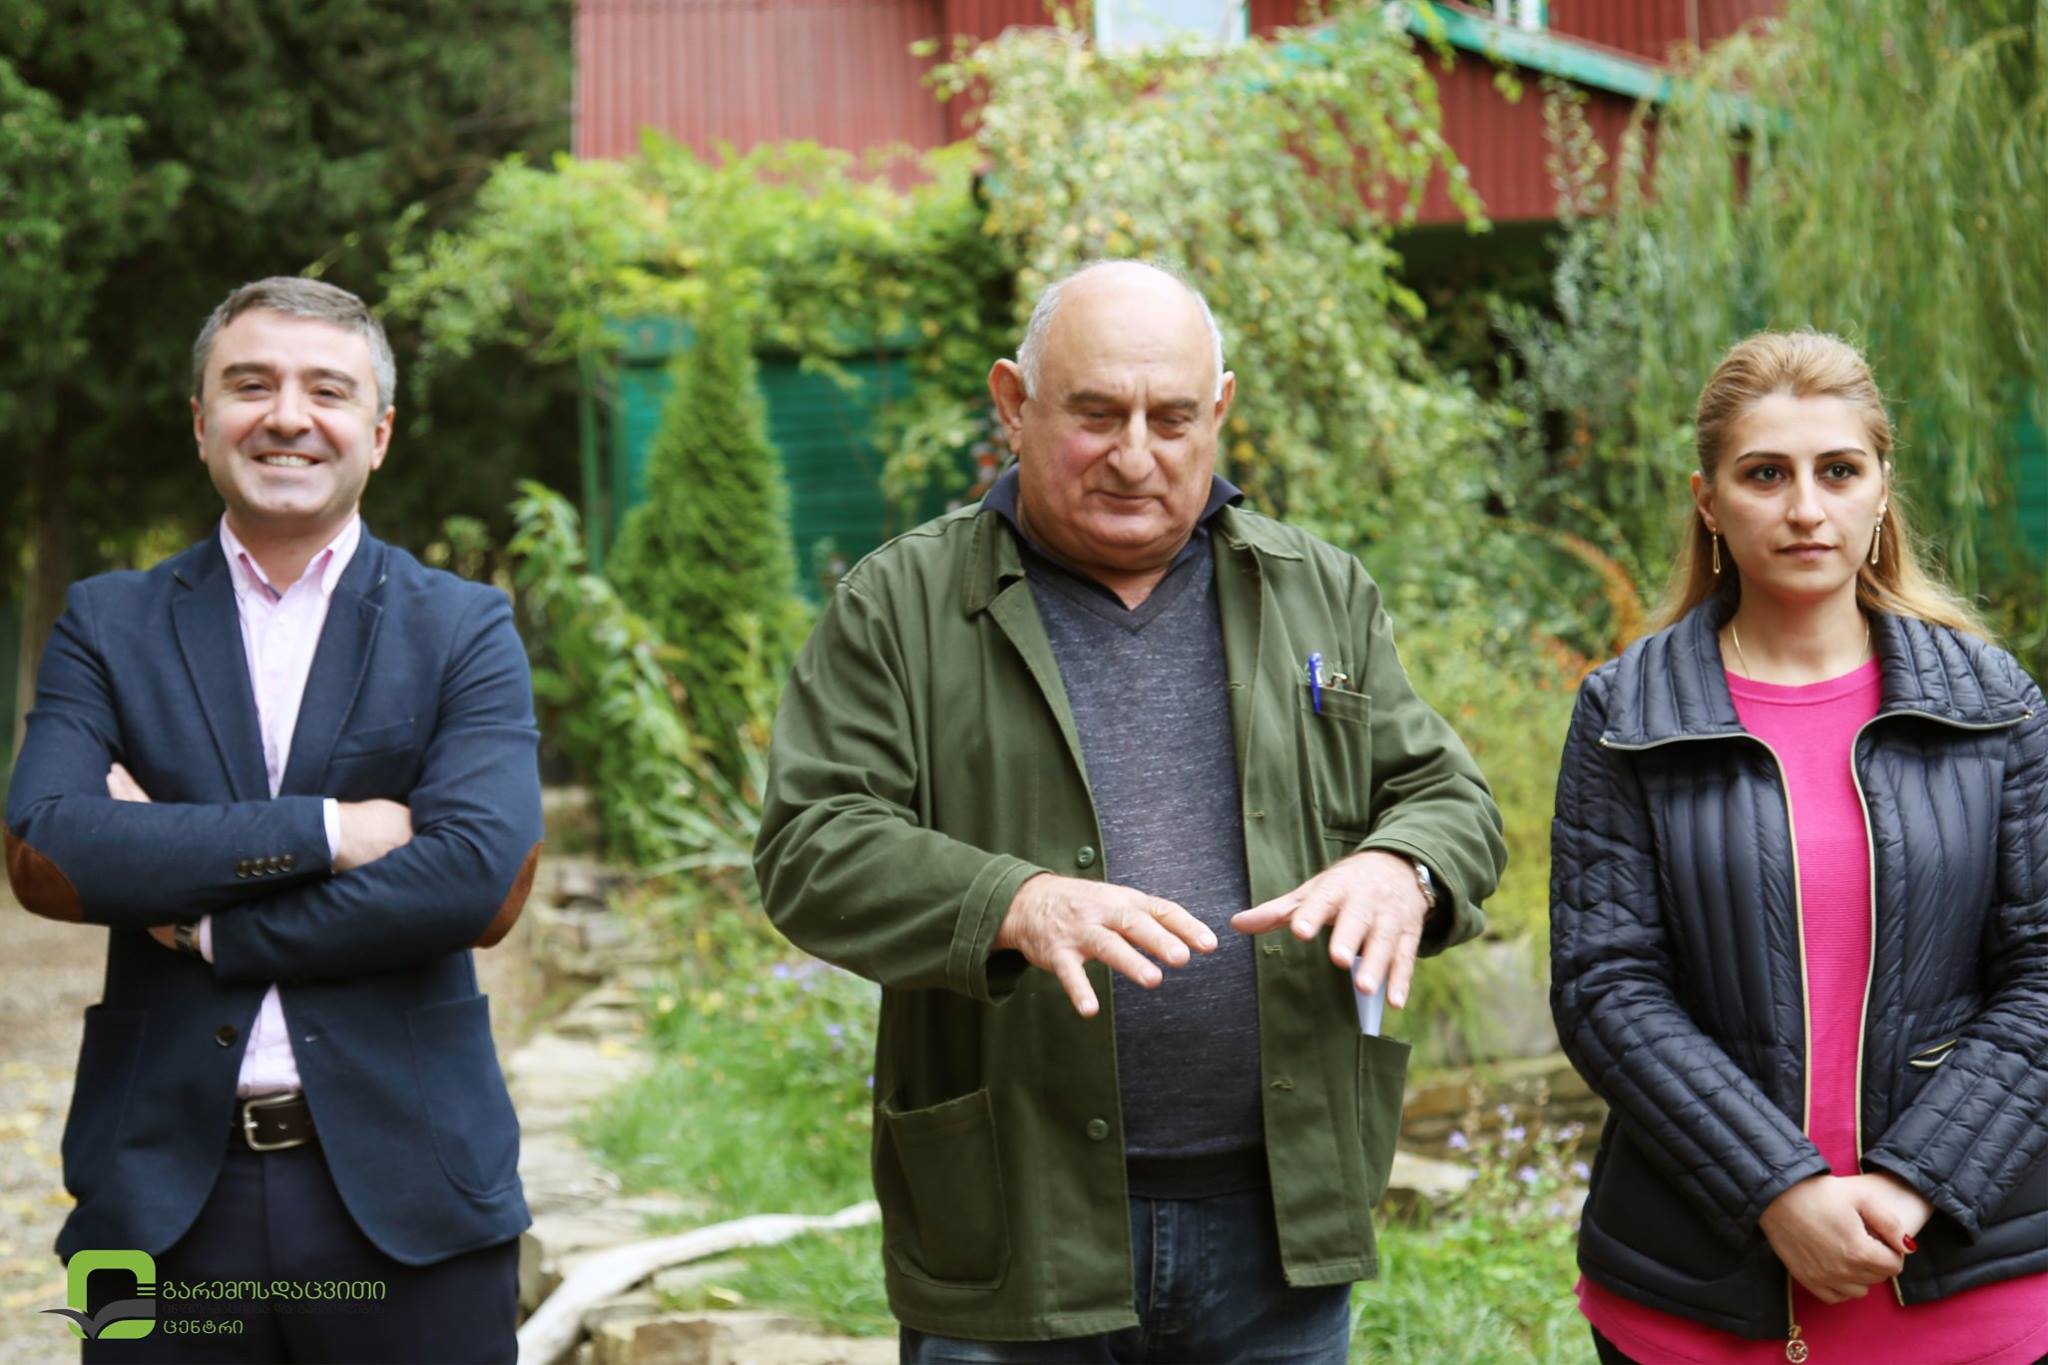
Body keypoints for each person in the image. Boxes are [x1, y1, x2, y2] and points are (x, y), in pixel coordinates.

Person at [754, 259, 1506, 1362]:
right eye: (1097, 414)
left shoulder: (1315, 589)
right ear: (1013, 403)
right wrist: (1014, 903)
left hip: (1276, 1226)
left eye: (1172, 418)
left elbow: (1447, 797)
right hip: (1016, 1227)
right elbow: (813, 843)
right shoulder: (902, 605)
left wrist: (1404, 868)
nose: (1136, 455)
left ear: (1221, 411)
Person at [5, 277, 544, 1362]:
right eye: (249, 385)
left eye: (327, 391)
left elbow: (476, 881)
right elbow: (50, 847)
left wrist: (205, 923)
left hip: (413, 1200)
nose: (287, 416)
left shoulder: (464, 626)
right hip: (157, 1206)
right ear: (201, 420)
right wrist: (334, 831)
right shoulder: (108, 622)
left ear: (377, 434)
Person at [1550, 330, 2048, 1365]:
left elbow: (2041, 972)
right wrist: (1775, 1189)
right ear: (1707, 499)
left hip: (1965, 1282)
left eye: (1839, 471)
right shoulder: (1626, 712)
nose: (1806, 509)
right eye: (1765, 474)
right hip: (1697, 1296)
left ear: (1881, 490)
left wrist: (1914, 1180)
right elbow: (1605, 986)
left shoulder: (1991, 703)